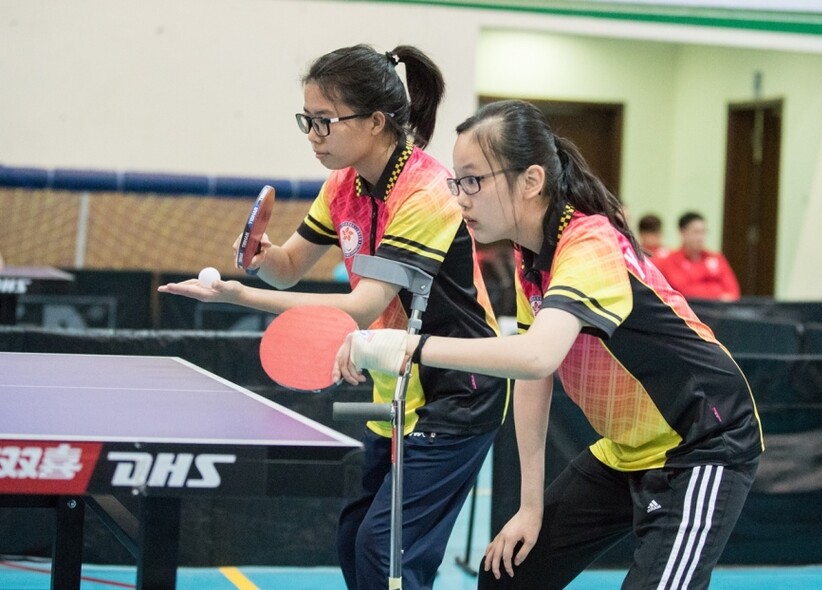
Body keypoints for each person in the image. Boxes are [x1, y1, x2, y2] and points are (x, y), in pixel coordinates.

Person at [334, 100, 764, 590]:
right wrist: (530, 508)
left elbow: (538, 354)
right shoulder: (533, 255)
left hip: (703, 443)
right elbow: (532, 375)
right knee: (507, 578)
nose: (460, 199)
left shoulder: (590, 245)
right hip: (628, 449)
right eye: (457, 182)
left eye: (474, 181)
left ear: (532, 181)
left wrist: (410, 346)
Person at [159, 44, 509, 590]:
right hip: (396, 378)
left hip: (459, 388)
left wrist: (240, 297)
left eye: (324, 121)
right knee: (354, 542)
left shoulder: (427, 191)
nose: (313, 135)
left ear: (375, 122)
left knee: (385, 552)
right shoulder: (343, 186)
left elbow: (361, 306)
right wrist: (260, 258)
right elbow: (291, 267)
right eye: (308, 121)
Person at [657, 211, 740, 301]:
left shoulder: (716, 258)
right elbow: (684, 291)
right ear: (683, 233)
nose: (700, 237)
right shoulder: (671, 260)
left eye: (703, 232)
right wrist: (717, 292)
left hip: (718, 311)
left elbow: (733, 292)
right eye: (696, 232)